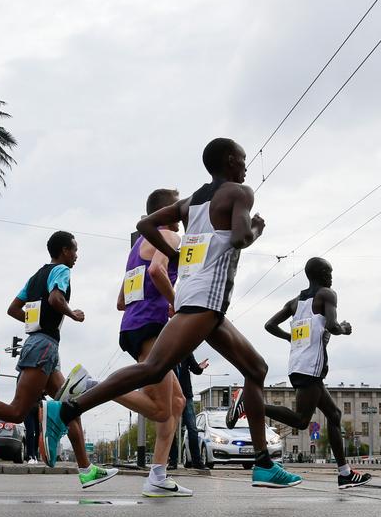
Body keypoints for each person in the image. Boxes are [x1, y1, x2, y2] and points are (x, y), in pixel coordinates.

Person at [47, 138, 302, 487]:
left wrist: (179, 256)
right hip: (203, 302)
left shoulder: (190, 203)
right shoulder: (240, 193)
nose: (245, 165)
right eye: (242, 159)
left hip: (203, 302)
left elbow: (146, 223)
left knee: (255, 368)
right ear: (229, 160)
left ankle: (262, 463)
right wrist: (255, 228)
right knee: (153, 369)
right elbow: (242, 237)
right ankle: (68, 409)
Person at [0, 231, 118, 489]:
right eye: (74, 250)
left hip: (46, 347)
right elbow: (55, 298)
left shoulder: (35, 277)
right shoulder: (62, 269)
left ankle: (86, 469)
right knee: (17, 412)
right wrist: (71, 313)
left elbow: (13, 309)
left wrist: (38, 321)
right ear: (64, 250)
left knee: (71, 406)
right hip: (43, 346)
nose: (76, 255)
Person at [253, 256, 372, 489]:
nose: (331, 276)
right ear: (319, 274)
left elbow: (269, 325)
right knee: (301, 421)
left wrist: (290, 338)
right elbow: (331, 325)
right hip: (311, 367)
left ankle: (345, 473)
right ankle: (252, 405)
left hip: (298, 363)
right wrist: (345, 329)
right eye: (328, 272)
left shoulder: (294, 302)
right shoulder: (327, 294)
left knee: (334, 415)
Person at [117, 187, 191, 497]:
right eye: (179, 205)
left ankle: (158, 475)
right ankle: (93, 388)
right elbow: (158, 269)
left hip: (133, 325)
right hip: (152, 326)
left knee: (176, 403)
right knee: (162, 410)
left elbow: (121, 300)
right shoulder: (169, 237)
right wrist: (176, 303)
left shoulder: (136, 247)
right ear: (169, 211)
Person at [170, 355, 208, 469]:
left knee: (192, 428)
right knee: (171, 429)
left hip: (187, 396)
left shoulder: (186, 351)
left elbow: (195, 369)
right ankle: (173, 461)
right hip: (171, 395)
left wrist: (200, 367)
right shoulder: (167, 350)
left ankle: (196, 461)